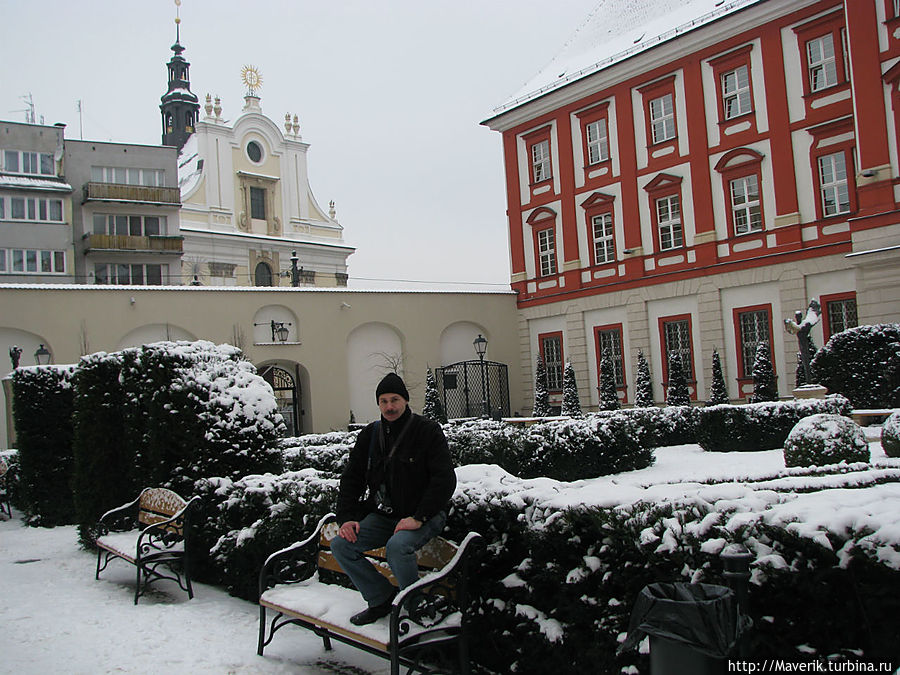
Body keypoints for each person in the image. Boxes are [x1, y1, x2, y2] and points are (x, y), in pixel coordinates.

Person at [331, 372, 457, 626]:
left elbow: (444, 480)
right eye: (384, 401)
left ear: (406, 401)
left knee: (397, 547)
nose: (389, 406)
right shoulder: (369, 435)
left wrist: (418, 517)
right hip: (384, 516)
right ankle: (380, 599)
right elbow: (352, 478)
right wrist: (347, 518)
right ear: (378, 404)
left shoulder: (427, 431)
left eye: (395, 400)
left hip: (424, 515)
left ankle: (415, 608)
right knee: (341, 545)